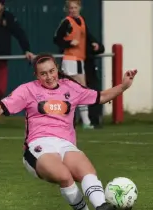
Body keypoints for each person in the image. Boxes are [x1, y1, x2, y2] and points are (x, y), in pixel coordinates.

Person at [0, 54, 136, 210]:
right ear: (37, 76)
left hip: (65, 144)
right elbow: (2, 105)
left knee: (86, 171)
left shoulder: (70, 87)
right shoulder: (27, 90)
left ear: (57, 69)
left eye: (52, 71)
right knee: (64, 176)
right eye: (43, 74)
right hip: (38, 146)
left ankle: (101, 207)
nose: (49, 77)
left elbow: (101, 96)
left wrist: (124, 86)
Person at [54, 0, 100, 129]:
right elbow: (56, 38)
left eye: (75, 7)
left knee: (78, 90)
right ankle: (82, 121)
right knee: (74, 89)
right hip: (70, 59)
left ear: (79, 8)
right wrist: (69, 43)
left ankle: (83, 121)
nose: (73, 10)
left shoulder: (81, 21)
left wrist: (95, 44)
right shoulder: (67, 22)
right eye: (71, 8)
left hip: (79, 59)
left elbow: (87, 37)